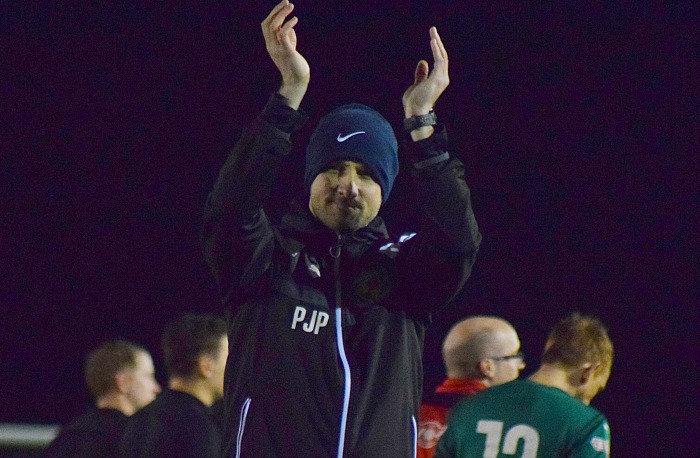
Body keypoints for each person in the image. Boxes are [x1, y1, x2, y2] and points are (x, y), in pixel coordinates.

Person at [200, 1, 482, 456]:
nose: (349, 186)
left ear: (385, 188)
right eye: (334, 168)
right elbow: (229, 209)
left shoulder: (405, 274)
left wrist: (423, 126)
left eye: (366, 174)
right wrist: (288, 95)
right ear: (310, 177)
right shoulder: (266, 260)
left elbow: (459, 242)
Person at [435, 312, 613, 458]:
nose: (586, 403)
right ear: (588, 372)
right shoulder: (586, 423)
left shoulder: (468, 408)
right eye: (594, 391)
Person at [119, 313, 228, 457]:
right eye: (228, 359)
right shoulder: (199, 427)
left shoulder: (137, 422)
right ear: (205, 366)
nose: (234, 368)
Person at [417, 316, 526, 458]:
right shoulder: (508, 422)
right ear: (488, 367)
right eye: (514, 356)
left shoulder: (411, 413)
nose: (521, 365)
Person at [44, 340, 160, 458]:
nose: (156, 388)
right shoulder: (139, 440)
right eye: (148, 376)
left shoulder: (66, 438)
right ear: (123, 382)